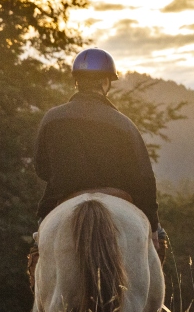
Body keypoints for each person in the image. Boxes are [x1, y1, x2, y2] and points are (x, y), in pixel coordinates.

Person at [30, 48, 165, 264]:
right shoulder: (124, 124)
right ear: (105, 82)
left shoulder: (52, 118)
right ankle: (151, 299)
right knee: (159, 245)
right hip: (119, 198)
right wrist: (153, 228)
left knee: (39, 252)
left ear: (77, 82)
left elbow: (41, 168)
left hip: (63, 200)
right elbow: (145, 179)